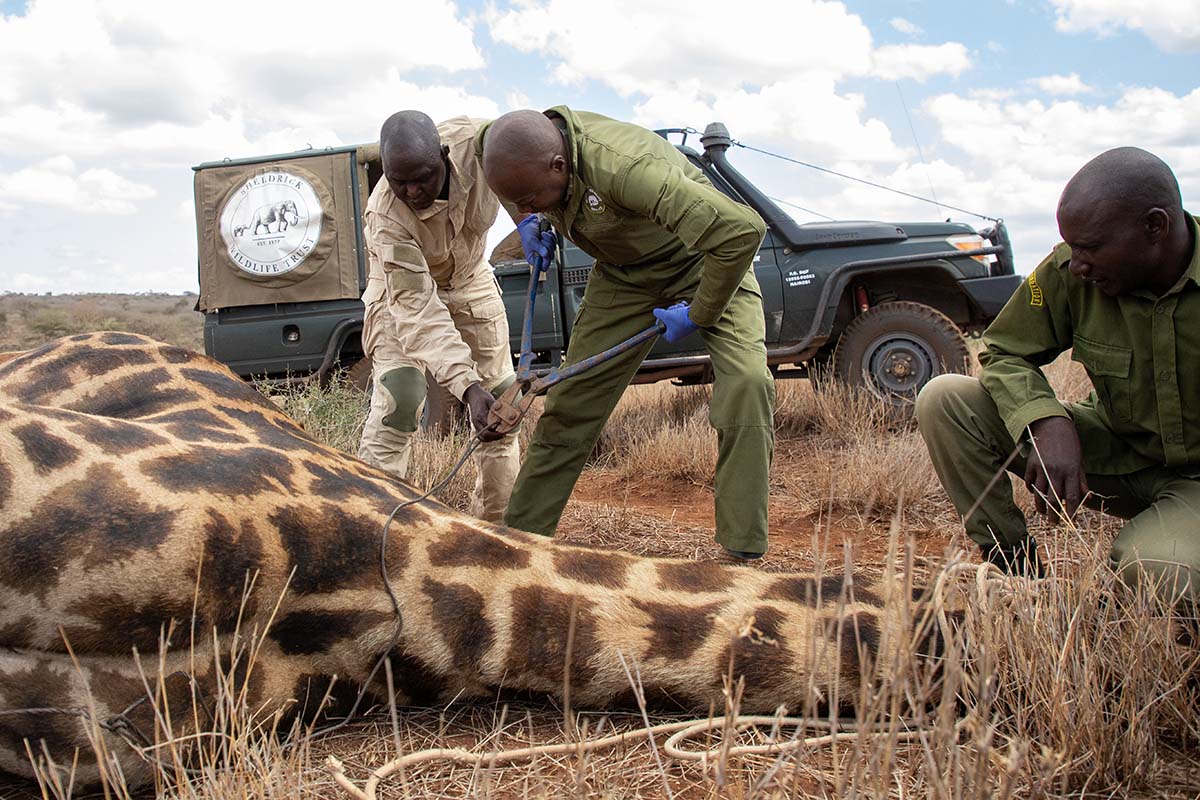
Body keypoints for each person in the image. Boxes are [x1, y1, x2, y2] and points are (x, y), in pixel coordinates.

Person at [477, 107, 773, 559]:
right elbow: (487, 141)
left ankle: (741, 552)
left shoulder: (627, 169)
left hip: (703, 261)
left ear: (560, 166)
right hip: (623, 275)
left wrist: (699, 312)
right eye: (519, 202)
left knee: (748, 384)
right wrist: (525, 219)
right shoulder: (508, 146)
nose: (530, 207)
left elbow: (741, 231)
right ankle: (520, 546)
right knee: (569, 404)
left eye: (533, 199)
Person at [916, 147, 1199, 601]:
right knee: (946, 399)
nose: (1079, 263)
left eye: (1091, 247)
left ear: (1155, 227)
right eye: (1073, 246)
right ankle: (1017, 573)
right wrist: (1047, 422)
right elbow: (1004, 349)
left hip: (1195, 486)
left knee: (1154, 571)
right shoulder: (1073, 270)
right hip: (1115, 453)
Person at [358, 111, 518, 522]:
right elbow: (419, 311)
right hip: (402, 289)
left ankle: (498, 534)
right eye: (399, 181)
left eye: (423, 177)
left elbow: (526, 170)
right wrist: (466, 387)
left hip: (469, 275)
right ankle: (373, 526)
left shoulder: (481, 142)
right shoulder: (386, 217)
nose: (412, 191)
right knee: (402, 396)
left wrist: (529, 218)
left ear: (445, 156)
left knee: (502, 404)